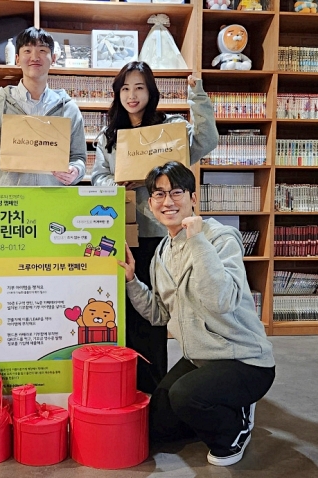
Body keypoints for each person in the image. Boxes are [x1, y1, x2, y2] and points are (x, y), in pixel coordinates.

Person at [120, 161, 275, 466]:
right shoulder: (162, 253)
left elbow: (221, 301)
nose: (168, 201)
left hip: (244, 360)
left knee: (187, 396)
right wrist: (131, 281)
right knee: (158, 427)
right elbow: (158, 315)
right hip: (200, 359)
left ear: (193, 197)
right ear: (150, 204)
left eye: (176, 192)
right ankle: (217, 403)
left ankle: (237, 428)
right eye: (159, 194)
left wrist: (197, 240)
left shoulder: (220, 238)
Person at [92, 61, 218, 393]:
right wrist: (119, 182)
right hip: (122, 233)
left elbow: (206, 140)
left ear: (151, 92)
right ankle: (120, 387)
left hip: (161, 236)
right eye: (125, 89)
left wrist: (197, 96)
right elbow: (98, 177)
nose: (132, 95)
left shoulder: (170, 129)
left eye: (139, 87)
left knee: (152, 316)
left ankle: (152, 390)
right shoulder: (108, 137)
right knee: (120, 313)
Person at [0, 27, 87, 186]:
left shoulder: (68, 108)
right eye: (27, 51)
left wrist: (75, 170)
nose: (34, 57)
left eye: (42, 50)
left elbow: (79, 157)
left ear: (53, 58)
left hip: (52, 197)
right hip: (10, 198)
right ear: (17, 59)